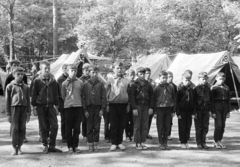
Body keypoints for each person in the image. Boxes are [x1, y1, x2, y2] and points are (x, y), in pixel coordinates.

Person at [31, 60, 62, 154]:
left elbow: (56, 94)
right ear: (41, 69)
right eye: (45, 68)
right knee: (43, 127)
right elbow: (33, 94)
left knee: (55, 126)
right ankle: (45, 145)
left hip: (51, 106)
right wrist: (34, 107)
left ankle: (52, 145)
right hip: (41, 107)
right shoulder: (37, 81)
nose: (47, 70)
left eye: (49, 68)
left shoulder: (54, 81)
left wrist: (57, 106)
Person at [5, 67, 31, 155]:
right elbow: (7, 101)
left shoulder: (26, 87)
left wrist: (29, 113)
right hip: (14, 109)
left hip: (23, 108)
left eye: (22, 74)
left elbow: (28, 100)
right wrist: (8, 114)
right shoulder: (10, 86)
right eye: (18, 74)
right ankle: (14, 147)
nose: (20, 76)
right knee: (14, 129)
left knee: (22, 128)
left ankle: (19, 147)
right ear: (13, 75)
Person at [106, 62, 130, 151]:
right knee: (113, 124)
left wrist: (128, 104)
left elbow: (129, 93)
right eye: (117, 68)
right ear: (113, 69)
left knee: (122, 124)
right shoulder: (110, 79)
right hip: (113, 105)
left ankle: (119, 142)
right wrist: (107, 104)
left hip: (123, 105)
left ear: (123, 69)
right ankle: (114, 142)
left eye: (121, 68)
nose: (119, 70)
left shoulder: (127, 80)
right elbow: (106, 92)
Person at [82, 65, 106, 152]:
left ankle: (95, 143)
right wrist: (84, 110)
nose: (95, 74)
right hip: (88, 108)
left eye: (96, 72)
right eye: (93, 72)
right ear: (89, 73)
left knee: (96, 127)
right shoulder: (85, 84)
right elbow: (83, 97)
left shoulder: (100, 84)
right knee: (89, 127)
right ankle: (90, 143)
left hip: (97, 108)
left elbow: (104, 97)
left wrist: (102, 109)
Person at [61, 64, 84, 153]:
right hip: (68, 107)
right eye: (71, 70)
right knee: (68, 128)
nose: (73, 72)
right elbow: (63, 96)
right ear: (67, 71)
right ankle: (70, 146)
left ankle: (76, 145)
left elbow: (82, 94)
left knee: (77, 128)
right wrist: (69, 102)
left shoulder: (80, 82)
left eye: (75, 70)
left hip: (78, 107)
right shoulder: (64, 83)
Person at [130, 67, 154, 150]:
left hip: (146, 106)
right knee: (137, 125)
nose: (142, 75)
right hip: (137, 106)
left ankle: (143, 141)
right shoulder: (134, 85)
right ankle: (137, 142)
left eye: (143, 74)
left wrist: (151, 107)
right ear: (137, 75)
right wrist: (134, 108)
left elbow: (152, 97)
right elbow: (132, 97)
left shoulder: (148, 85)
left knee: (144, 125)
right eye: (140, 74)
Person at [154, 70, 175, 150]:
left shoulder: (171, 87)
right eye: (163, 78)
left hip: (169, 108)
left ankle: (165, 142)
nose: (165, 79)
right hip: (160, 109)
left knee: (167, 126)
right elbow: (154, 100)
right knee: (160, 126)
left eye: (166, 78)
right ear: (159, 78)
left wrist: (173, 110)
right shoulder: (157, 88)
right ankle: (160, 142)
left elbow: (174, 98)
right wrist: (155, 112)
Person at [211, 72, 230, 149]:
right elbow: (211, 100)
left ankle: (219, 140)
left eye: (223, 79)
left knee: (223, 125)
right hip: (217, 105)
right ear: (216, 78)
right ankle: (215, 141)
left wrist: (228, 111)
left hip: (224, 106)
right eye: (220, 79)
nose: (221, 80)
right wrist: (213, 111)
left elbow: (228, 100)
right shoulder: (213, 88)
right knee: (218, 125)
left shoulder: (226, 87)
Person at [176, 72, 196, 149]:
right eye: (186, 80)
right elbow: (176, 102)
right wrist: (178, 113)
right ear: (182, 80)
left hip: (189, 112)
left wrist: (194, 112)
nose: (187, 82)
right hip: (182, 112)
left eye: (189, 80)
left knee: (188, 126)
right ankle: (182, 142)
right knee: (182, 127)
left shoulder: (191, 90)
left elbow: (194, 101)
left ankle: (186, 141)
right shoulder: (180, 90)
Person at [194, 72, 211, 149]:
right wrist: (194, 112)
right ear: (199, 79)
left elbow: (211, 100)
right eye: (203, 79)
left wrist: (210, 110)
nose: (204, 80)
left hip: (206, 110)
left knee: (205, 127)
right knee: (199, 127)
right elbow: (193, 101)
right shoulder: (196, 89)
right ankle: (199, 143)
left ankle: (203, 142)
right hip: (198, 110)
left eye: (206, 79)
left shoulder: (208, 88)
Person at [57, 64, 69, 143]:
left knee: (70, 120)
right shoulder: (59, 79)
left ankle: (69, 136)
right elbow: (58, 92)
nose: (66, 70)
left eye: (67, 68)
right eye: (64, 68)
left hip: (70, 102)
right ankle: (64, 136)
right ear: (62, 69)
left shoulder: (71, 78)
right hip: (62, 102)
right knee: (63, 120)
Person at [79, 63, 91, 142]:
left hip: (90, 101)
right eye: (86, 70)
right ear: (83, 71)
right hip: (82, 101)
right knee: (83, 119)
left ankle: (89, 133)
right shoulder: (80, 79)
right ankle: (84, 135)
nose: (87, 72)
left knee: (90, 119)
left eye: (88, 70)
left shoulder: (92, 78)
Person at [145, 67, 156, 139]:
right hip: (143, 103)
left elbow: (154, 93)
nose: (148, 75)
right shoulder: (141, 81)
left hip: (150, 103)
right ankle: (142, 133)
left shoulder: (153, 82)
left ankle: (147, 133)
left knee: (149, 119)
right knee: (142, 119)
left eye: (149, 73)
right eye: (147, 73)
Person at [166, 71, 177, 140]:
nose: (170, 78)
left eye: (171, 77)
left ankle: (168, 134)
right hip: (163, 106)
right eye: (169, 77)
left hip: (171, 106)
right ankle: (163, 134)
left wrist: (174, 109)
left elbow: (175, 98)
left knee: (169, 122)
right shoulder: (162, 85)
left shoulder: (174, 86)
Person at [125, 69, 135, 142]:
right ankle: (127, 135)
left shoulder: (135, 83)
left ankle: (131, 134)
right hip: (127, 104)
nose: (132, 76)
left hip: (134, 104)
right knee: (126, 120)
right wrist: (128, 104)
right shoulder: (126, 83)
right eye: (130, 75)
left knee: (133, 121)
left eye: (133, 75)